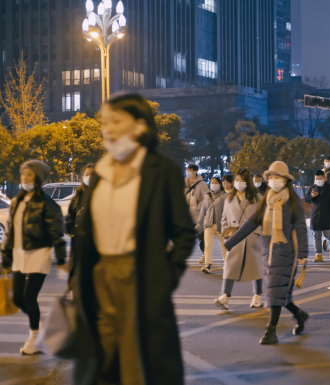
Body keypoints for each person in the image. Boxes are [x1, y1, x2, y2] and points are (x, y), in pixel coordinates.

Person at [71, 94, 196, 384]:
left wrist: (167, 275)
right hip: (98, 276)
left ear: (140, 126)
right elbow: (87, 232)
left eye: (116, 121)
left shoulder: (161, 171)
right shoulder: (100, 172)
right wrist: (78, 275)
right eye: (104, 122)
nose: (107, 128)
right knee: (101, 359)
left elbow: (184, 232)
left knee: (138, 361)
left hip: (140, 276)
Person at [224, 161, 309, 345]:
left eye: (277, 177)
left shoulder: (293, 202)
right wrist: (231, 242)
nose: (273, 181)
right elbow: (251, 223)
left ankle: (271, 331)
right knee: (279, 293)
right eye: (271, 177)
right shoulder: (267, 200)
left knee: (274, 292)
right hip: (268, 252)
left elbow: (301, 228)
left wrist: (303, 252)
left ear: (285, 180)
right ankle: (300, 315)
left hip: (288, 252)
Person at [1, 160, 68, 355]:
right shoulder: (16, 202)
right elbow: (11, 233)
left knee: (30, 296)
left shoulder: (48, 204)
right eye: (23, 174)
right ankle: (38, 323)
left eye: (29, 174)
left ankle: (34, 337)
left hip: (39, 253)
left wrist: (62, 260)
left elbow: (57, 234)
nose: (24, 177)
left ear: (38, 178)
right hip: (19, 254)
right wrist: (5, 257)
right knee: (19, 297)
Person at [216, 168, 264, 310]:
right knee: (230, 267)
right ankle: (224, 296)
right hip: (234, 238)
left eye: (242, 180)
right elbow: (224, 218)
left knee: (256, 268)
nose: (238, 183)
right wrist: (227, 233)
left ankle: (257, 296)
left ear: (247, 182)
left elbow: (262, 218)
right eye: (236, 180)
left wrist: (258, 232)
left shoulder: (257, 197)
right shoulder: (229, 198)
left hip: (252, 237)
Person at [65, 163, 94, 285]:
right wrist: (73, 231)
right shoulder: (78, 196)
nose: (89, 177)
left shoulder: (103, 195)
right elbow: (69, 218)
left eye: (92, 174)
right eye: (86, 174)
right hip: (79, 246)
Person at [195, 177, 228, 273]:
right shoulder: (207, 196)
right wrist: (199, 225)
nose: (213, 184)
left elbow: (228, 211)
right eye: (212, 182)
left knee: (224, 246)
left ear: (220, 184)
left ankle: (227, 264)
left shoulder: (224, 196)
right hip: (208, 224)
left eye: (216, 182)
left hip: (221, 225)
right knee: (208, 246)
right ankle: (207, 265)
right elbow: (203, 211)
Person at [308, 170, 330, 262]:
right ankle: (318, 254)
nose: (318, 180)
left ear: (324, 178)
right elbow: (307, 199)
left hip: (327, 215)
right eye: (316, 179)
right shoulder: (313, 188)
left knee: (329, 235)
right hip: (316, 216)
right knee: (316, 236)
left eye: (320, 178)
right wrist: (312, 196)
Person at [185, 164, 210, 264]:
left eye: (190, 170)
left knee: (201, 236)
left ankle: (205, 255)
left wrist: (198, 207)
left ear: (195, 171)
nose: (188, 172)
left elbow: (206, 198)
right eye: (187, 170)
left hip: (198, 214)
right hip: (186, 214)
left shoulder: (202, 184)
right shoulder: (184, 183)